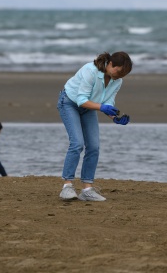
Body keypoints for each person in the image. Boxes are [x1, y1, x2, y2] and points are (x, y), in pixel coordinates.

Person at [57, 51, 133, 202]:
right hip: (69, 103)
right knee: (77, 143)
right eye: (118, 72)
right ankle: (67, 187)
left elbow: (108, 102)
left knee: (93, 146)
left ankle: (87, 190)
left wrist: (115, 117)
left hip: (90, 107)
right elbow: (81, 100)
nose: (119, 76)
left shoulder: (117, 81)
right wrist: (102, 108)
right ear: (110, 64)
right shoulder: (90, 71)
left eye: (123, 75)